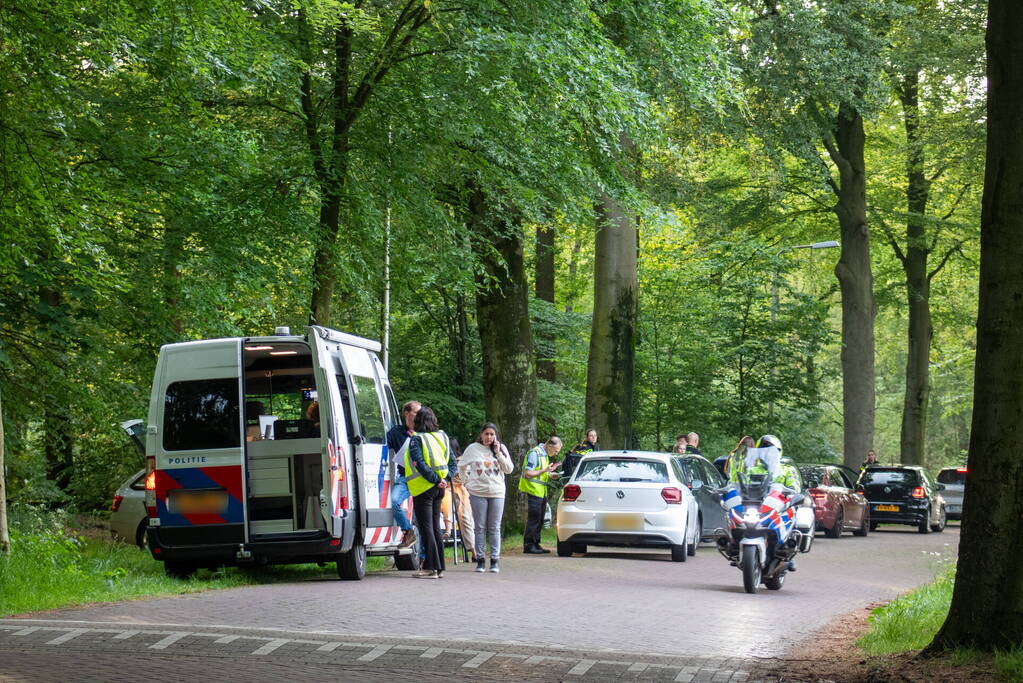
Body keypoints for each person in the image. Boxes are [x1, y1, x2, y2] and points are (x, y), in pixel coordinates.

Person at [404, 406, 457, 578]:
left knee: (426, 528)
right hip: (439, 489)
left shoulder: (416, 439)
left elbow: (419, 463)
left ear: (418, 421)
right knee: (435, 527)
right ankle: (439, 567)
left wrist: (435, 480)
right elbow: (452, 463)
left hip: (423, 488)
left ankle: (430, 567)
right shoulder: (442, 437)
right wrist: (445, 479)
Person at [459, 423, 515, 573]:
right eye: (486, 434)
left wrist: (498, 454)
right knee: (480, 527)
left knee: (494, 527)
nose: (489, 437)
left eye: (492, 434)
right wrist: (466, 482)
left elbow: (509, 469)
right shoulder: (473, 449)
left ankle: (495, 560)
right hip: (478, 492)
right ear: (481, 434)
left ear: (495, 436)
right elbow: (462, 465)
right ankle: (481, 560)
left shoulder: (501, 448)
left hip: (497, 492)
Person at [519, 436, 562, 554]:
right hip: (533, 490)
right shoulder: (535, 453)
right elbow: (528, 473)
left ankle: (536, 544)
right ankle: (528, 545)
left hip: (541, 491)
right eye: (556, 451)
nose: (556, 454)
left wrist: (551, 473)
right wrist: (544, 470)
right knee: (534, 518)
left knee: (540, 519)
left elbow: (541, 474)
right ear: (549, 446)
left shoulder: (544, 455)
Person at [386, 400, 420, 549]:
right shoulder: (395, 432)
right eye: (416, 412)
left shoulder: (424, 432)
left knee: (423, 517)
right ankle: (408, 531)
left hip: (424, 478)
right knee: (394, 501)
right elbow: (382, 447)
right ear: (407, 413)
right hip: (405, 477)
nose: (419, 415)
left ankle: (425, 559)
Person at [441, 437, 476, 560]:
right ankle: (448, 528)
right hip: (446, 489)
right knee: (446, 500)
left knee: (464, 514)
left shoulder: (463, 460)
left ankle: (473, 550)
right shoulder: (441, 460)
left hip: (460, 489)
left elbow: (465, 479)